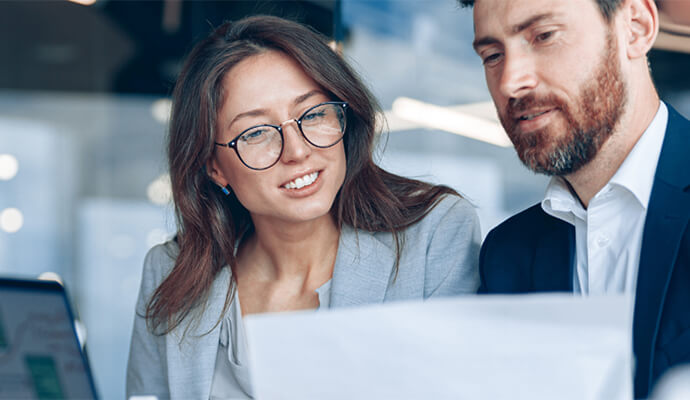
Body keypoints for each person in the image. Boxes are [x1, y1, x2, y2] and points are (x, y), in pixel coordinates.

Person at [126, 15, 481, 399]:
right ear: (214, 167)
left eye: (313, 115)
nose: (297, 151)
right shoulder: (169, 272)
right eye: (256, 132)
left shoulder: (434, 237)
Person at [458, 0, 690, 397]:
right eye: (493, 55)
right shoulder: (506, 255)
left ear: (634, 27)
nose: (511, 81)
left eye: (543, 36)